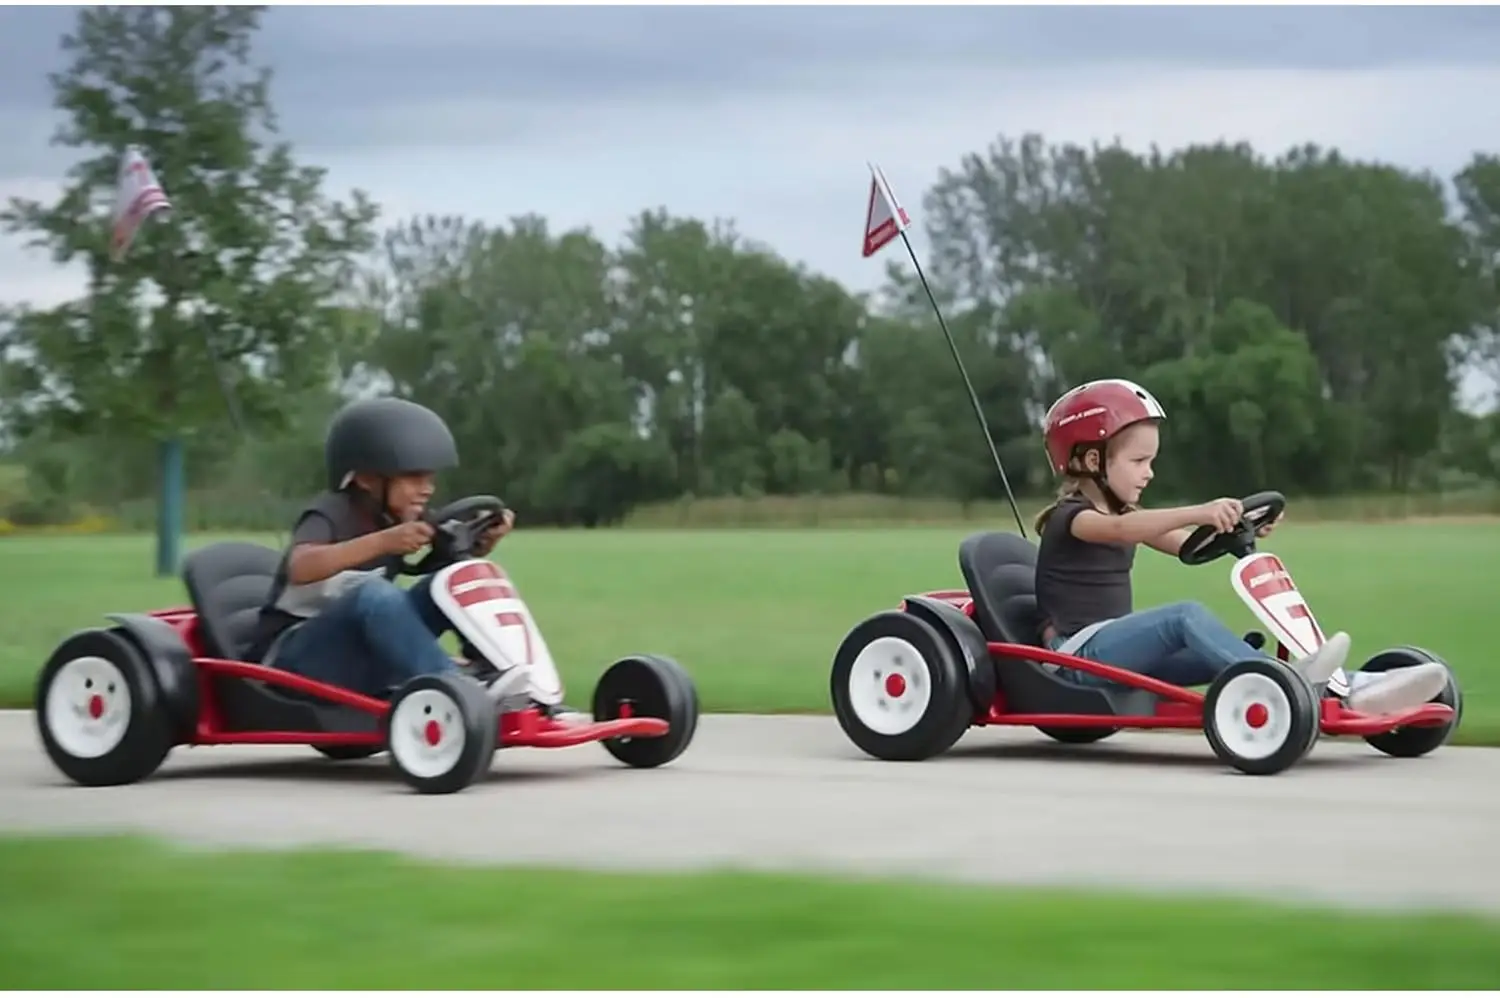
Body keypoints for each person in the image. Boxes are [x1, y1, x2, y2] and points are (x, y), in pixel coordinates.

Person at [1033, 378, 1450, 715]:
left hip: (1111, 652)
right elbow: (1125, 530)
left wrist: (1238, 531)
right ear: (1090, 461)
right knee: (1184, 617)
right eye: (1139, 462)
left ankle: (1354, 684)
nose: (1150, 473)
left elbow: (1185, 547)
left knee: (1243, 649)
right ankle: (1299, 689)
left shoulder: (1124, 516)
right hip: (1075, 657)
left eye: (1151, 461)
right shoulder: (1072, 519)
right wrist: (1200, 510)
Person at [246, 396, 579, 719]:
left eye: (430, 478)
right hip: (294, 660)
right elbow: (301, 567)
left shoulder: (399, 514)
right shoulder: (329, 512)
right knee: (375, 595)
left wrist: (479, 546)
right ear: (366, 477)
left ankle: (518, 685)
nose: (428, 488)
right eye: (414, 477)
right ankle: (459, 692)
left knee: (454, 581)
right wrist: (383, 542)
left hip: (359, 651)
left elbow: (442, 563)